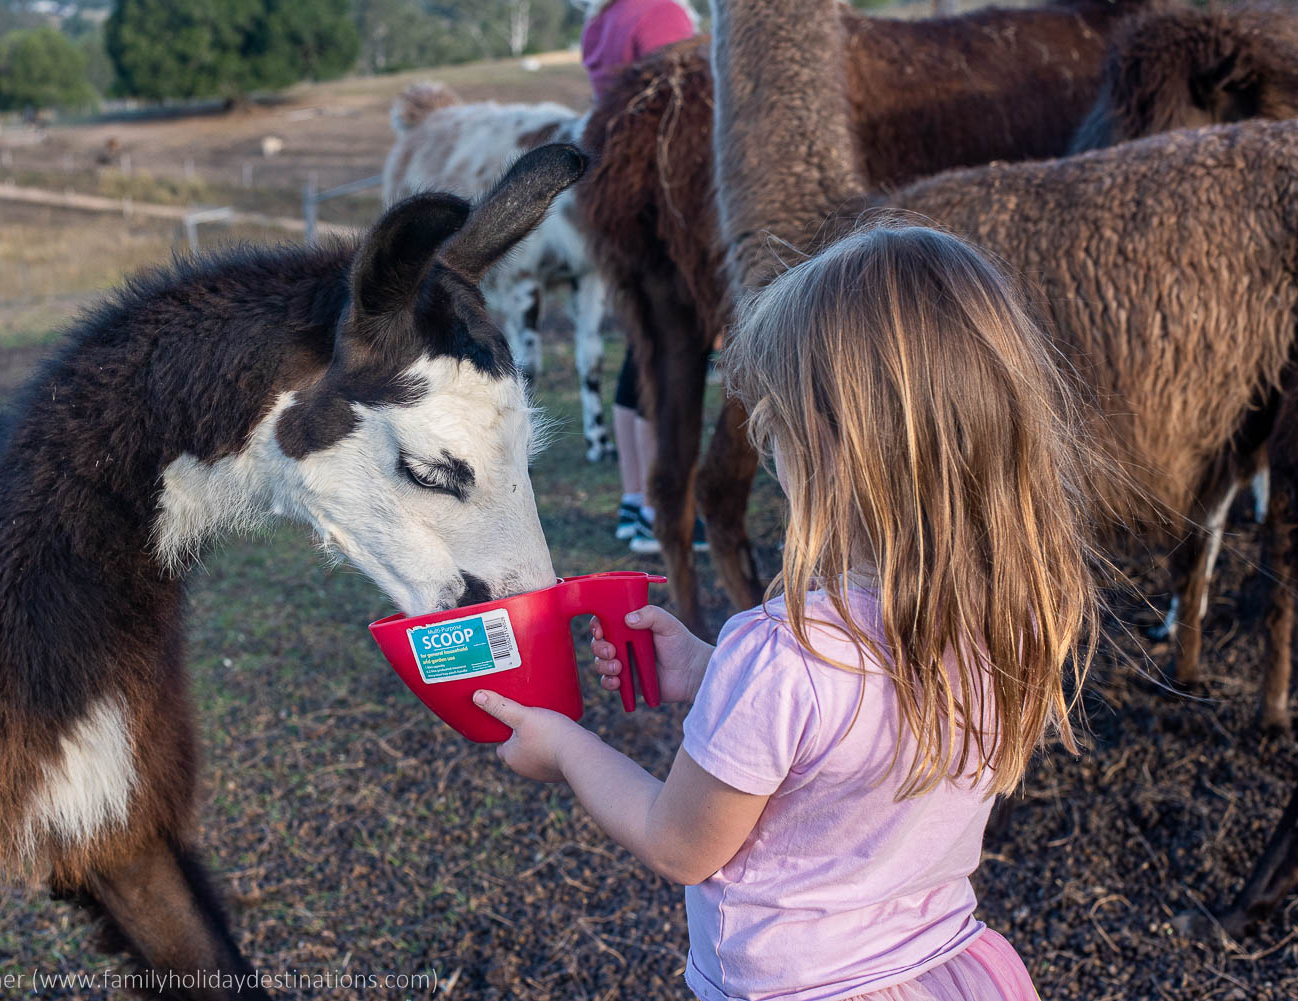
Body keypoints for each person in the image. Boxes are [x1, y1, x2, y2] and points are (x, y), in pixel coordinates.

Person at [473, 226, 1103, 1001]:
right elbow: (855, 729)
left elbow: (679, 844)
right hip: (947, 970)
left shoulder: (780, 654)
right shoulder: (1013, 613)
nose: (766, 444)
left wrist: (564, 745)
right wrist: (710, 671)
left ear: (835, 452)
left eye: (777, 424)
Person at [579, 0, 707, 554]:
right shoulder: (658, 14)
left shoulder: (604, 17)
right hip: (668, 198)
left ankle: (638, 502)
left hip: (621, 191)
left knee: (643, 347)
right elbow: (682, 108)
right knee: (673, 350)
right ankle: (665, 506)